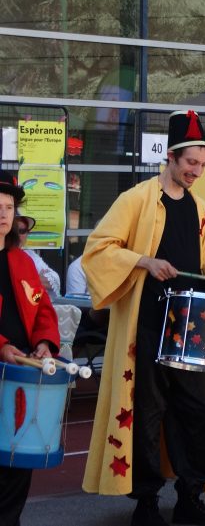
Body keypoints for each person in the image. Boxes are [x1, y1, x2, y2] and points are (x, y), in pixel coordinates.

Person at [81, 109, 205, 526]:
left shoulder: (203, 210)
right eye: (191, 163)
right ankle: (147, 503)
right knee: (147, 413)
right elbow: (98, 249)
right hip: (148, 324)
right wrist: (145, 261)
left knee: (194, 410)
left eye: (201, 165)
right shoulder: (135, 198)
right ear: (171, 157)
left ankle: (191, 497)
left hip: (192, 326)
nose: (196, 171)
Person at [0, 171, 60, 526]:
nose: (4, 214)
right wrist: (3, 346)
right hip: (4, 359)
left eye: (9, 207)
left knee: (18, 458)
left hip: (19, 371)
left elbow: (43, 309)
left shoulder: (23, 260)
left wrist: (43, 343)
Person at [14, 215, 61, 298]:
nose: (17, 235)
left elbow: (55, 279)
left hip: (30, 306)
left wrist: (29, 281)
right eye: (13, 230)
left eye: (22, 231)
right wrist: (36, 279)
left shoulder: (30, 255)